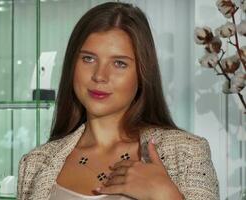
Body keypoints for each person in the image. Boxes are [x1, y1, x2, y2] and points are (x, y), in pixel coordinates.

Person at [17, 2, 219, 200]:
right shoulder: (35, 164)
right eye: (88, 59)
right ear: (72, 65)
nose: (100, 76)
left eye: (119, 63)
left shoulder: (186, 153)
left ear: (142, 73)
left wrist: (165, 195)